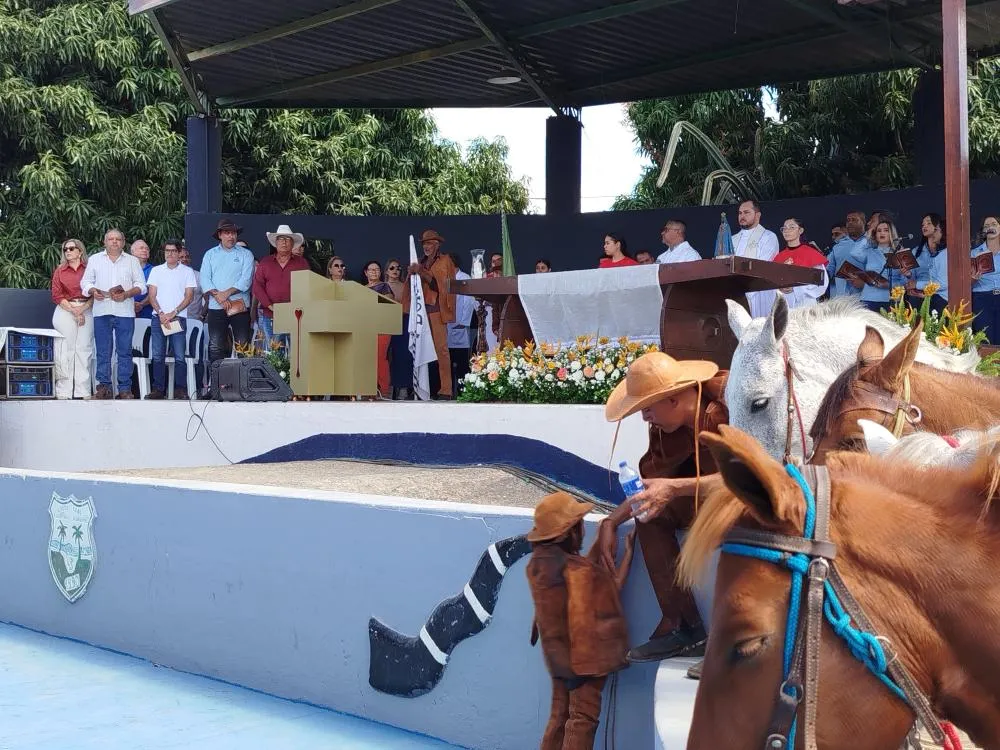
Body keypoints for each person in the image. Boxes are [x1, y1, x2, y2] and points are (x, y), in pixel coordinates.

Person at [599, 352, 729, 679]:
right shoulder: (665, 429)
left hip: (743, 505)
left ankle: (732, 645)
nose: (645, 418)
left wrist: (674, 488)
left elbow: (747, 476)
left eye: (647, 408)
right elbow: (652, 487)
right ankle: (684, 625)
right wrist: (611, 521)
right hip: (704, 505)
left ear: (673, 400)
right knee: (651, 515)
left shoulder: (727, 410)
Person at [526, 491, 635, 750]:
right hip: (584, 664)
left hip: (557, 658)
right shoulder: (579, 571)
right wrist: (628, 554)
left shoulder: (538, 565)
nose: (583, 529)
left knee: (559, 716)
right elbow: (611, 587)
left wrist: (600, 541)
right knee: (582, 720)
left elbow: (575, 573)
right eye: (579, 525)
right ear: (568, 532)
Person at [80, 229, 147, 400]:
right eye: (111, 239)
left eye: (118, 239)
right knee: (103, 351)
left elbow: (142, 285)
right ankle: (104, 388)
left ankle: (124, 389)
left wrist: (126, 294)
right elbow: (85, 283)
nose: (115, 242)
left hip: (125, 312)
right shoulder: (95, 259)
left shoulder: (132, 261)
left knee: (124, 351)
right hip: (102, 311)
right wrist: (93, 290)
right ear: (105, 242)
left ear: (124, 242)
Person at [401, 229, 457, 400]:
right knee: (418, 348)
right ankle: (419, 388)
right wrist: (411, 273)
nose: (426, 246)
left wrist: (421, 272)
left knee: (441, 350)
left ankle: (446, 389)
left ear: (437, 245)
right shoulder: (418, 262)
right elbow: (411, 287)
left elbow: (440, 285)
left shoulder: (445, 261)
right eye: (424, 243)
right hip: (420, 310)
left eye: (430, 243)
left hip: (436, 311)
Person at [200, 218, 255, 376]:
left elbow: (245, 281)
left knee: (242, 346)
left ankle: (244, 386)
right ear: (220, 235)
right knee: (216, 347)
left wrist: (225, 294)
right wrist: (219, 296)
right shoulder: (210, 254)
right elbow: (205, 279)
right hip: (216, 306)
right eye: (227, 233)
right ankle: (217, 387)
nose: (231, 236)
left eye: (234, 233)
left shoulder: (246, 254)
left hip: (240, 306)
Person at [145, 244, 197, 400]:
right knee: (158, 355)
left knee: (180, 356)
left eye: (174, 251)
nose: (170, 254)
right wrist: (161, 314)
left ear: (179, 252)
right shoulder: (156, 270)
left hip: (178, 318)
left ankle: (180, 389)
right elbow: (152, 295)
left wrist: (173, 313)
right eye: (167, 251)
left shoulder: (187, 271)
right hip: (158, 318)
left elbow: (189, 297)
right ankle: (158, 389)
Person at [253, 224, 311, 355]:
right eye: (281, 239)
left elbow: (307, 285)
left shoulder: (301, 263)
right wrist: (270, 305)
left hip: (296, 314)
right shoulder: (265, 262)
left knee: (296, 352)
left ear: (292, 244)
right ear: (275, 243)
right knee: (274, 351)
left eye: (287, 239)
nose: (284, 242)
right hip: (270, 314)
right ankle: (276, 376)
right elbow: (257, 286)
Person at [50, 239, 93, 399]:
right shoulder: (60, 270)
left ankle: (83, 391)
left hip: (86, 308)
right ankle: (63, 390)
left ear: (80, 251)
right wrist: (75, 311)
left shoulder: (89, 269)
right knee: (65, 349)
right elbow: (56, 294)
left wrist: (81, 310)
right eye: (65, 249)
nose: (67, 251)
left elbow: (95, 293)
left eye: (71, 248)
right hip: (65, 309)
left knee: (84, 349)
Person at [731, 199, 780, 317]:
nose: (742, 216)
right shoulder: (732, 239)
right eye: (740, 213)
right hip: (736, 292)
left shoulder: (768, 237)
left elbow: (762, 264)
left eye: (746, 212)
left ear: (758, 215)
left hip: (759, 292)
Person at [773, 217, 829, 309]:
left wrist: (796, 288)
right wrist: (779, 287)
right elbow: (773, 280)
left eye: (791, 227)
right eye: (784, 228)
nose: (787, 230)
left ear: (800, 230)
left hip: (805, 304)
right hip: (785, 304)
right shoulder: (779, 257)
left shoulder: (811, 253)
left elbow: (822, 283)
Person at [362, 259, 395, 397]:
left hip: (381, 327)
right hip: (365, 327)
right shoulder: (361, 289)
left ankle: (384, 390)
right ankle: (368, 389)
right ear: (366, 272)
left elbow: (388, 303)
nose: (374, 272)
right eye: (371, 269)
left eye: (377, 269)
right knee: (366, 358)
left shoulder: (385, 287)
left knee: (380, 357)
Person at [446, 253, 476, 395]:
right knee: (446, 362)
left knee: (462, 362)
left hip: (459, 326)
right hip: (445, 326)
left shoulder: (464, 278)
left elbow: (469, 302)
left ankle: (464, 391)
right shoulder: (444, 279)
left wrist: (463, 322)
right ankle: (447, 391)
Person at [384, 259, 413, 400]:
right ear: (386, 271)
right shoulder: (381, 287)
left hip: (403, 322)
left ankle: (403, 388)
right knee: (384, 356)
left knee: (403, 356)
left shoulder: (405, 287)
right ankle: (386, 388)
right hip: (384, 323)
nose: (395, 270)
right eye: (392, 268)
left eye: (398, 268)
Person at [909, 213, 947, 314]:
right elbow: (910, 278)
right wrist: (908, 275)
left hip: (939, 297)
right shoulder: (916, 252)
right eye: (922, 225)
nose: (924, 226)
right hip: (920, 295)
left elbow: (943, 283)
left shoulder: (945, 253)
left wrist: (919, 286)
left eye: (929, 223)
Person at [827, 210, 868, 298]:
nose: (850, 223)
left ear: (864, 222)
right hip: (840, 298)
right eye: (848, 220)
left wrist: (865, 282)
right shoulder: (838, 245)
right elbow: (829, 268)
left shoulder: (872, 243)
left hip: (864, 298)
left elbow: (880, 270)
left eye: (854, 220)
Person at [858, 220, 896, 312]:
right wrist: (867, 235)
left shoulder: (898, 253)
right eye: (879, 231)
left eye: (886, 230)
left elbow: (905, 281)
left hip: (890, 299)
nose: (882, 233)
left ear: (892, 233)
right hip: (869, 299)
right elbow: (855, 253)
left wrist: (889, 285)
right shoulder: (869, 252)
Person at [973, 215, 1000, 343]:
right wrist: (973, 278)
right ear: (984, 231)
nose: (990, 227)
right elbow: (966, 284)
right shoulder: (974, 253)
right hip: (982, 298)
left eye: (994, 224)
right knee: (985, 340)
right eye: (987, 226)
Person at [130, 239, 155, 320]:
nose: (145, 250)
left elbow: (155, 292)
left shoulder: (154, 270)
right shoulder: (124, 269)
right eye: (141, 248)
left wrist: (141, 304)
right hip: (126, 312)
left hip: (147, 314)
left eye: (147, 249)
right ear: (133, 252)